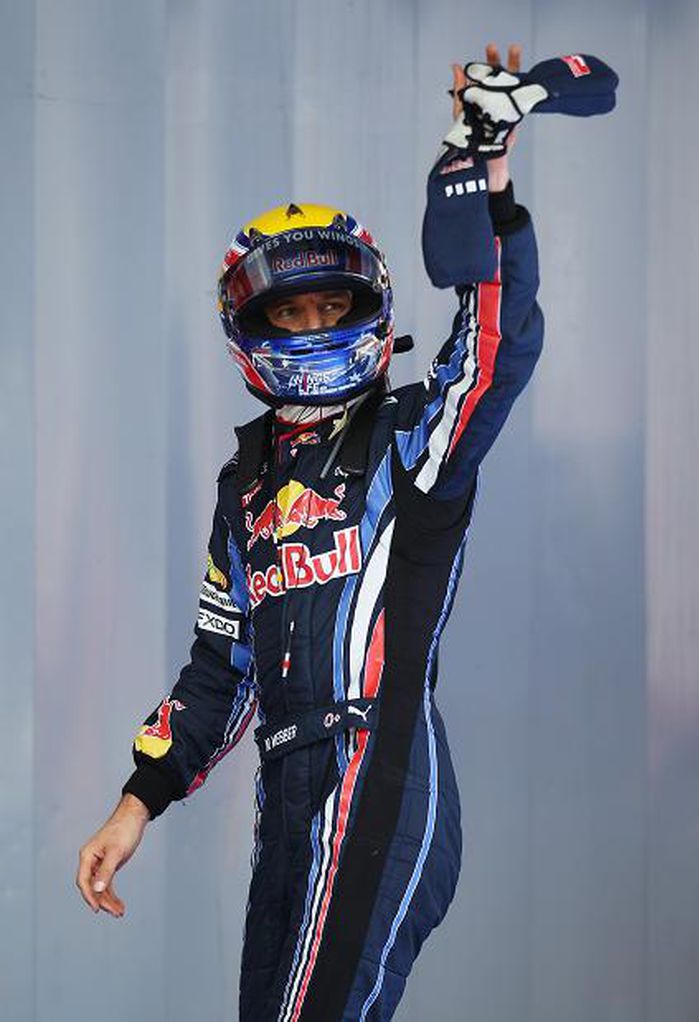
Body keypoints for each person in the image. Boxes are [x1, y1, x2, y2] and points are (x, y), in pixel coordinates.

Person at [77, 43, 543, 1021]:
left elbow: (493, 351)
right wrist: (136, 801)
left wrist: (490, 183)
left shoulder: (413, 437)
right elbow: (219, 668)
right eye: (292, 309)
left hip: (381, 764)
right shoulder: (243, 484)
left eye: (335, 302)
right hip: (284, 792)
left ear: (371, 307)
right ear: (251, 326)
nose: (317, 321)